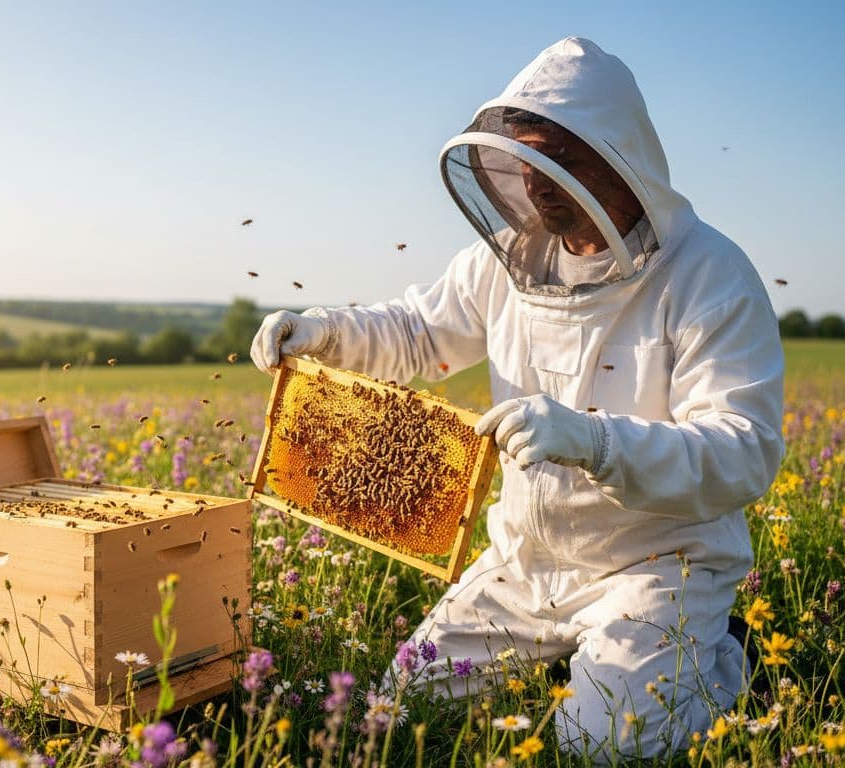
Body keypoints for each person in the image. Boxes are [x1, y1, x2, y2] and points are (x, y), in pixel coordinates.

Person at [250, 37, 784, 764]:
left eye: (559, 160)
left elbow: (744, 452)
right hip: (527, 562)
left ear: (617, 156)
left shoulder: (709, 275)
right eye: (527, 160)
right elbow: (416, 331)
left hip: (658, 566)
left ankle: (724, 661)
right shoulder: (509, 260)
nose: (536, 183)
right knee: (395, 709)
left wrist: (596, 442)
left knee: (602, 745)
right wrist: (322, 332)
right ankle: (592, 662)